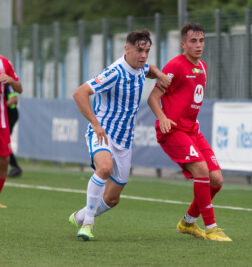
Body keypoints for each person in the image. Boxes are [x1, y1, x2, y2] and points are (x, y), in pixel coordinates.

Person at [68, 30, 171, 241]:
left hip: (125, 140)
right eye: (139, 50)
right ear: (127, 48)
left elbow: (148, 69)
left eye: (147, 51)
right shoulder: (115, 72)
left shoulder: (141, 67)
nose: (143, 55)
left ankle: (80, 216)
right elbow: (80, 93)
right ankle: (87, 224)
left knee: (113, 199)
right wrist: (95, 124)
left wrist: (159, 74)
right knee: (104, 168)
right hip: (103, 132)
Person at [147, 23, 232, 242]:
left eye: (201, 40)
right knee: (202, 170)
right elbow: (153, 98)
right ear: (183, 44)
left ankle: (188, 221)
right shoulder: (175, 66)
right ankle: (212, 228)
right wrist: (163, 118)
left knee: (216, 180)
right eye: (193, 41)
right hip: (173, 131)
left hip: (193, 131)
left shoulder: (202, 67)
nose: (198, 45)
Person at [0, 26, 23, 208]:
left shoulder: (4, 63)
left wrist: (11, 81)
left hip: (0, 120)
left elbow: (20, 88)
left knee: (4, 159)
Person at [4, 85, 22, 177]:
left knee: (4, 142)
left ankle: (15, 167)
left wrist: (1, 106)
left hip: (10, 115)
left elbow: (14, 99)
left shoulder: (7, 85)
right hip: (2, 116)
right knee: (2, 142)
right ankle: (13, 166)